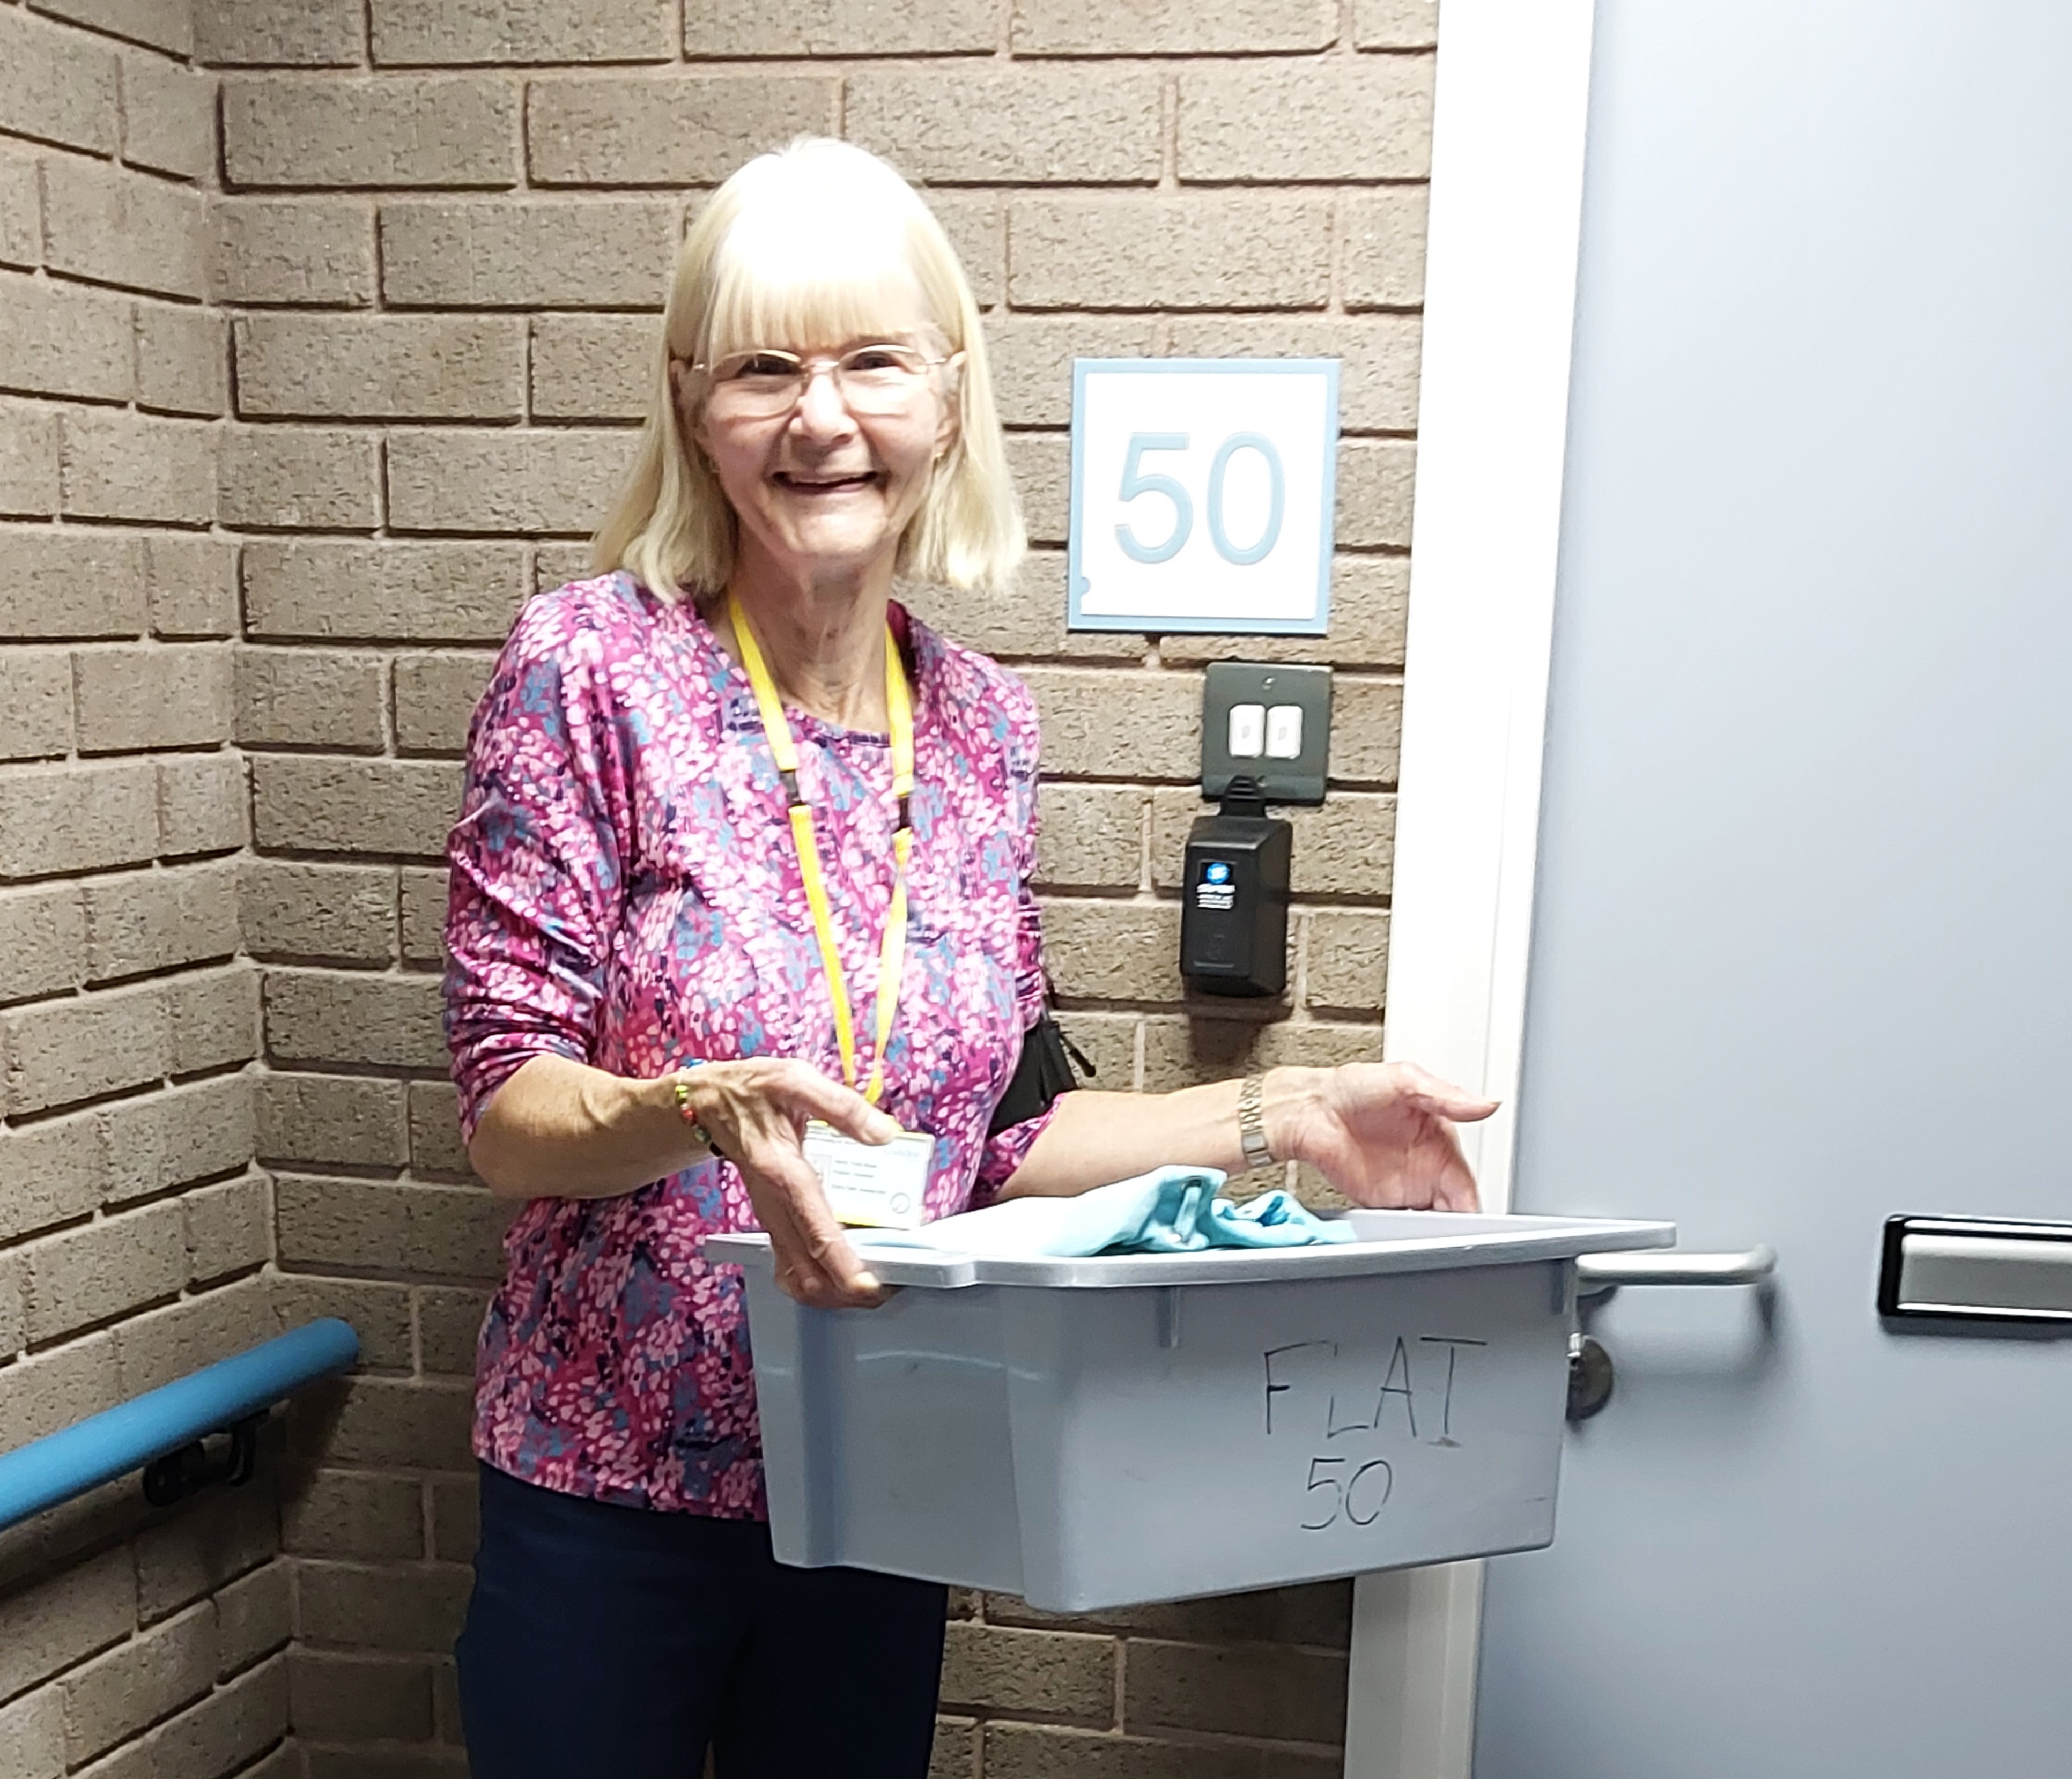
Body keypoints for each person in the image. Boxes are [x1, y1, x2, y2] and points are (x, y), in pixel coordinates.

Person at [442, 136, 1498, 1779]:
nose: (821, 417)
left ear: (947, 396)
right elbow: (508, 1114)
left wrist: (1282, 1113)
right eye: (763, 368)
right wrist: (705, 1106)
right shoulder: (586, 669)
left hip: (881, 1471)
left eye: (871, 360)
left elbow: (1002, 1140)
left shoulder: (989, 728)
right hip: (610, 1488)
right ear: (689, 400)